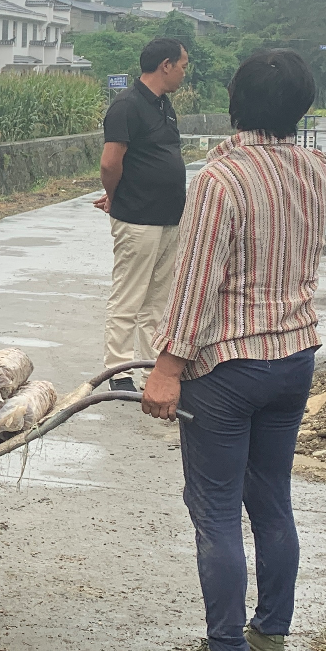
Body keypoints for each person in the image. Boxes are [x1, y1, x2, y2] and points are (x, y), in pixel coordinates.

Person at [141, 49, 326, 651]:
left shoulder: (222, 179)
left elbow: (194, 284)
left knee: (215, 511)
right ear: (302, 108)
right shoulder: (310, 170)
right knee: (272, 502)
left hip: (227, 368)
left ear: (235, 101)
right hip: (294, 362)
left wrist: (166, 369)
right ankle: (268, 645)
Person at [96, 37, 192, 389]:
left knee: (159, 301)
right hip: (137, 218)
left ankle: (154, 368)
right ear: (165, 64)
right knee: (129, 296)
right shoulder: (127, 106)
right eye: (182, 65)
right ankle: (118, 372)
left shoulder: (164, 106)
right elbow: (110, 162)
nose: (184, 73)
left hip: (169, 218)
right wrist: (113, 196)